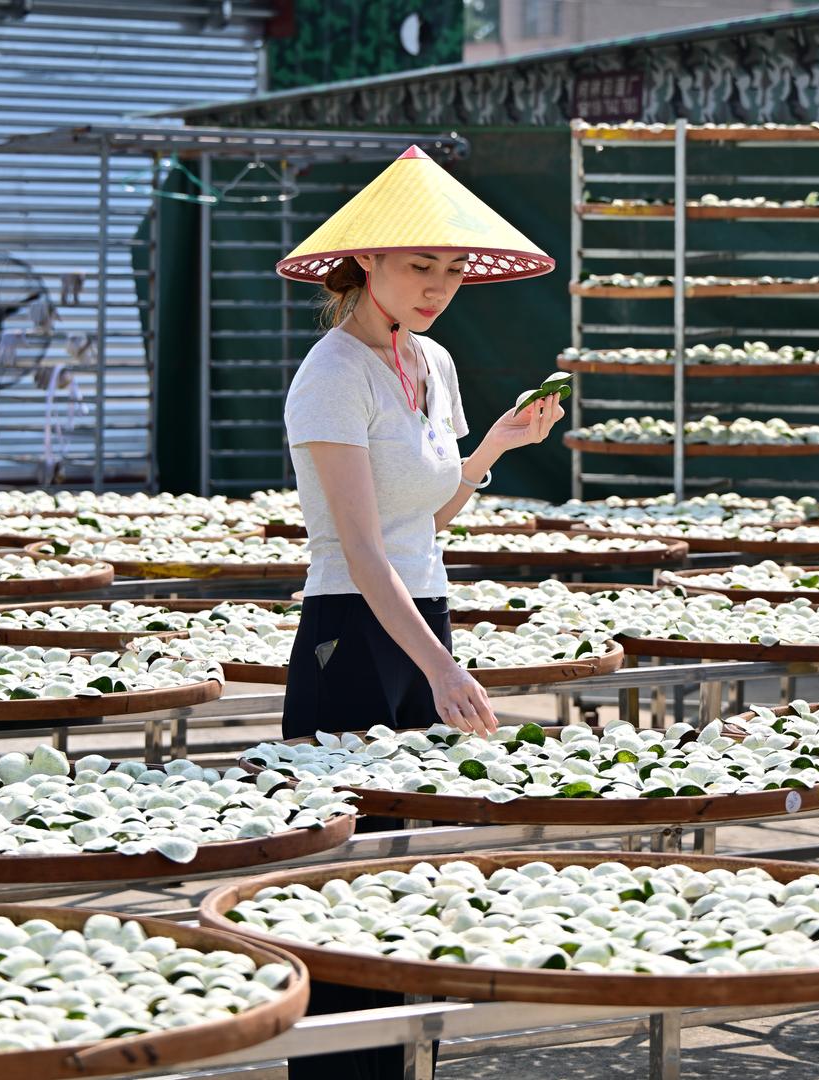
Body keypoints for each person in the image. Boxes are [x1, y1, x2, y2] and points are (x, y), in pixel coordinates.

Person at [278, 145, 561, 1080]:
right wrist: (441, 666)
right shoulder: (332, 374)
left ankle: (405, 1063)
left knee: (410, 870)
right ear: (366, 262)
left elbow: (425, 518)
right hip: (350, 634)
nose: (440, 286)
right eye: (418, 266)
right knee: (341, 872)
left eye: (452, 269)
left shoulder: (430, 363)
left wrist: (492, 450)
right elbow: (361, 550)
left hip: (421, 611)